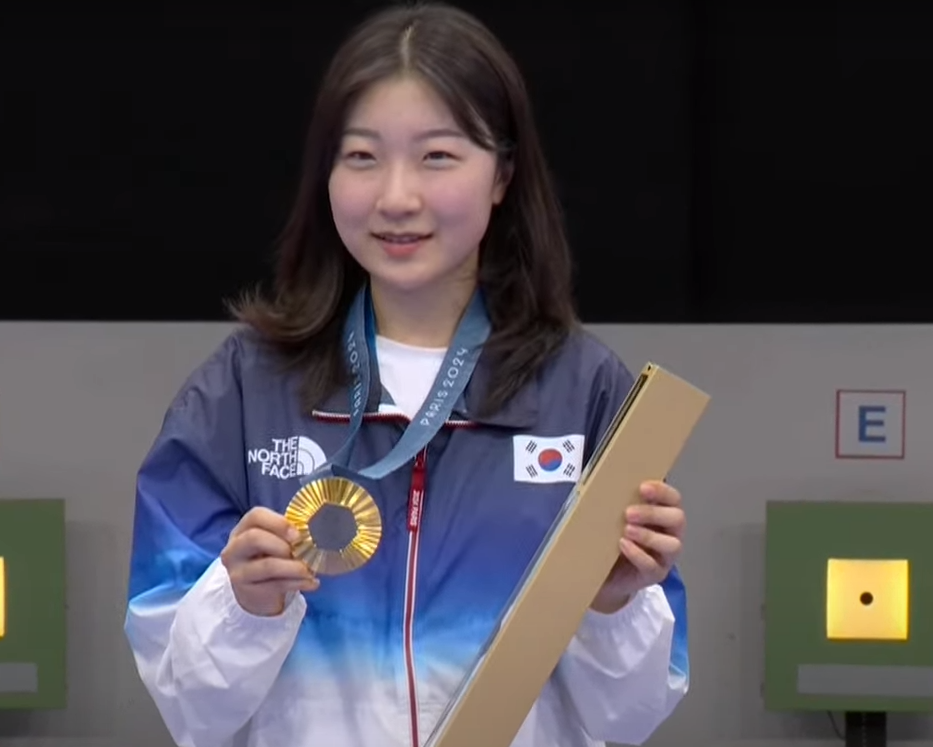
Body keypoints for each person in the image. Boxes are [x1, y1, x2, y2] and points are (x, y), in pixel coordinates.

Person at [123, 3, 690, 746]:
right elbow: (186, 705)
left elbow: (633, 714)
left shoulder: (582, 391)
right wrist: (243, 606)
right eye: (361, 156)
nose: (395, 197)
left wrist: (611, 604)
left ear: (502, 174)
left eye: (437, 157)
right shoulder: (241, 391)